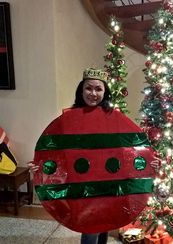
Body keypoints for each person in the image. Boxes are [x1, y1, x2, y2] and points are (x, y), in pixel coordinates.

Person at [28, 68, 113, 244]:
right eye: (89, 88)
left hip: (108, 179)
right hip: (82, 180)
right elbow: (56, 149)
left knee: (105, 222)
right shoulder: (69, 118)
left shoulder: (113, 117)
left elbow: (126, 149)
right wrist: (40, 164)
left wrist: (150, 163)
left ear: (105, 92)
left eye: (99, 89)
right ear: (81, 91)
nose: (93, 93)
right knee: (90, 225)